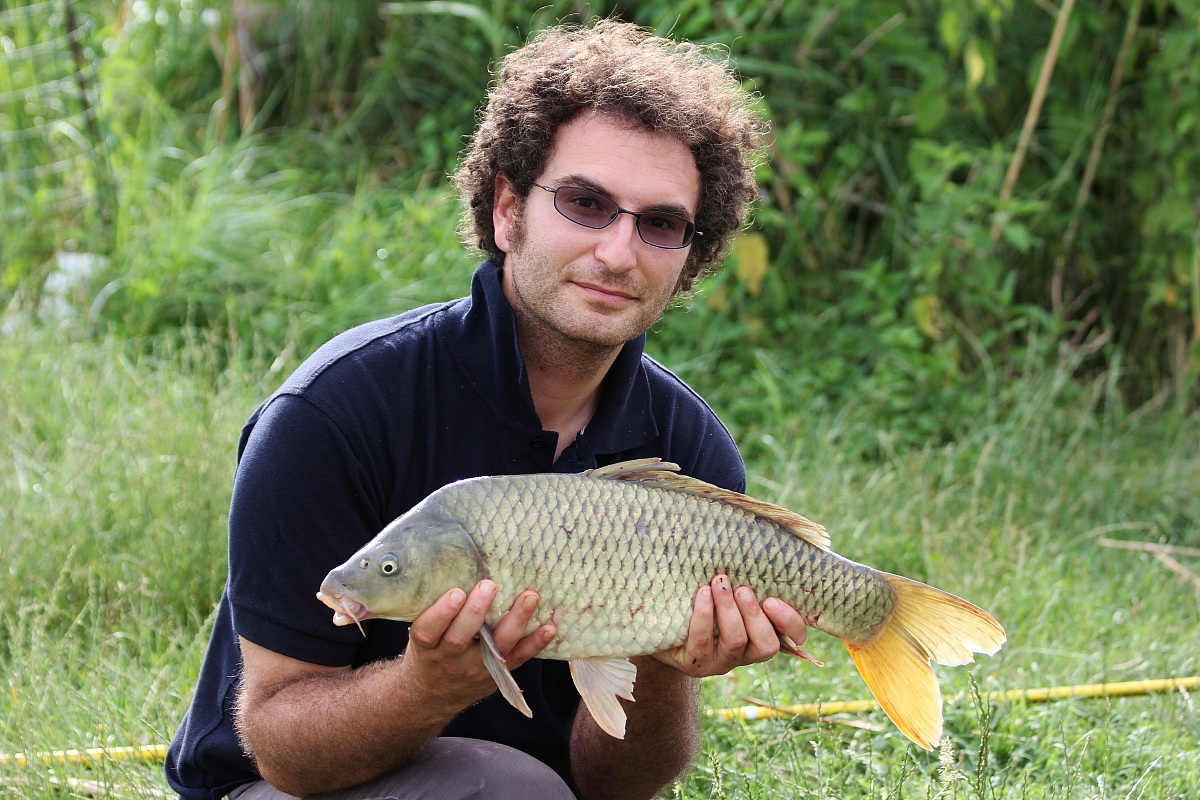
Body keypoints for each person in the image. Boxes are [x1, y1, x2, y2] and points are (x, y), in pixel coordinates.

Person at [165, 19, 809, 800]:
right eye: (585, 203)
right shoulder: (333, 413)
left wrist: (664, 664)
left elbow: (612, 788)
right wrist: (426, 684)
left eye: (661, 224)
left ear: (689, 254)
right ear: (508, 210)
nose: (619, 253)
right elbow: (280, 751)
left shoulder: (686, 451)